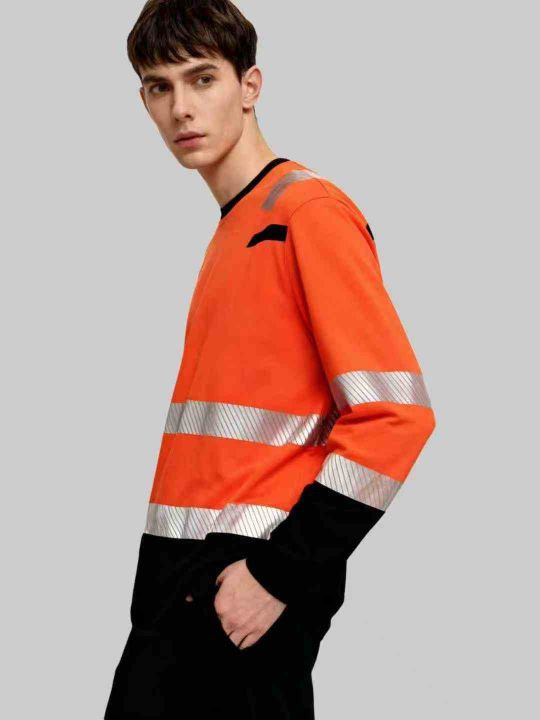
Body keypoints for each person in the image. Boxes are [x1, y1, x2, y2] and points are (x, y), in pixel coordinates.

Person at [103, 1, 437, 718]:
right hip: (182, 577)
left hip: (243, 576)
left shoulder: (305, 213)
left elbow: (396, 416)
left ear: (249, 86)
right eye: (159, 87)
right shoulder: (237, 227)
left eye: (202, 79)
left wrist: (280, 574)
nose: (181, 108)